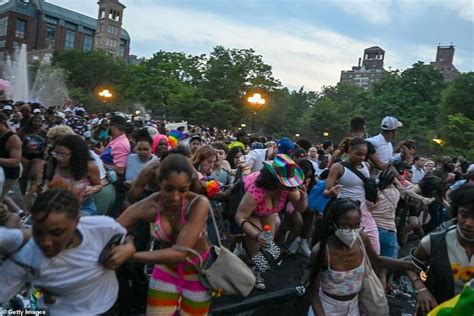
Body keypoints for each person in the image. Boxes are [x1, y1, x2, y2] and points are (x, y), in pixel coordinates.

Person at [0, 189, 134, 315]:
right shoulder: (24, 261)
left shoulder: (102, 227)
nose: (45, 242)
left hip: (108, 307)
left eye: (57, 232)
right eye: (39, 232)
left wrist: (129, 246)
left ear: (76, 222)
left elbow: (125, 235)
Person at [116, 154, 213, 315]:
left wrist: (130, 255)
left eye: (182, 190)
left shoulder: (199, 204)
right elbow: (113, 228)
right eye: (169, 188)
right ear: (159, 182)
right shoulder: (150, 206)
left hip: (198, 273)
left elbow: (180, 253)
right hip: (165, 270)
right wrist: (128, 240)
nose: (175, 197)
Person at [308, 198, 413, 316]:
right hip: (328, 307)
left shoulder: (362, 239)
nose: (352, 232)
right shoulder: (321, 252)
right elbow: (313, 293)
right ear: (333, 223)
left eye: (356, 225)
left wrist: (405, 264)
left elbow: (376, 260)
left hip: (354, 307)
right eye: (345, 226)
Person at [235, 154, 308, 289]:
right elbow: (240, 217)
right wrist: (256, 235)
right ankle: (250, 270)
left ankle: (252, 264)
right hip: (247, 212)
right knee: (256, 241)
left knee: (269, 245)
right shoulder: (257, 191)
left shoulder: (288, 188)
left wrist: (303, 197)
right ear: (273, 180)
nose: (288, 187)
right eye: (285, 183)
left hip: (266, 211)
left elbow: (300, 208)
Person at [407, 184, 474, 315]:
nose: (469, 223)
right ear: (456, 212)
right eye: (464, 215)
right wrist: (421, 288)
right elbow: (410, 265)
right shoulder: (434, 242)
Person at [324, 138, 381, 254]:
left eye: (364, 155)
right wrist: (331, 192)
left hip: (364, 212)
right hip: (345, 213)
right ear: (349, 151)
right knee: (349, 249)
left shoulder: (366, 166)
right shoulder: (338, 167)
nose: (361, 157)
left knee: (375, 248)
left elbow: (367, 187)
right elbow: (326, 192)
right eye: (358, 154)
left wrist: (375, 199)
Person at [45, 135, 102, 215]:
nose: (59, 158)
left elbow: (98, 185)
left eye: (64, 155)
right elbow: (47, 182)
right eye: (56, 153)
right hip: (56, 207)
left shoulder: (89, 166)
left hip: (82, 208)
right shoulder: (53, 164)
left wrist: (92, 189)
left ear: (75, 154)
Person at [18, 116, 47, 212]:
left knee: (34, 175)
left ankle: (29, 193)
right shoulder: (25, 131)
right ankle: (23, 194)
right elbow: (16, 139)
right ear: (31, 121)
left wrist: (46, 151)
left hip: (38, 156)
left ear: (41, 122)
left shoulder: (44, 132)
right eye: (34, 120)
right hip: (25, 155)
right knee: (23, 176)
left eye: (38, 121)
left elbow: (50, 143)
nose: (36, 122)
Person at [0, 113, 22, 218]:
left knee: (1, 196)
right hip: (1, 170)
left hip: (10, 172)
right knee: (2, 195)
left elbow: (15, 161)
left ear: (3, 123)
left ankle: (11, 218)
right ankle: (20, 213)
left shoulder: (13, 138)